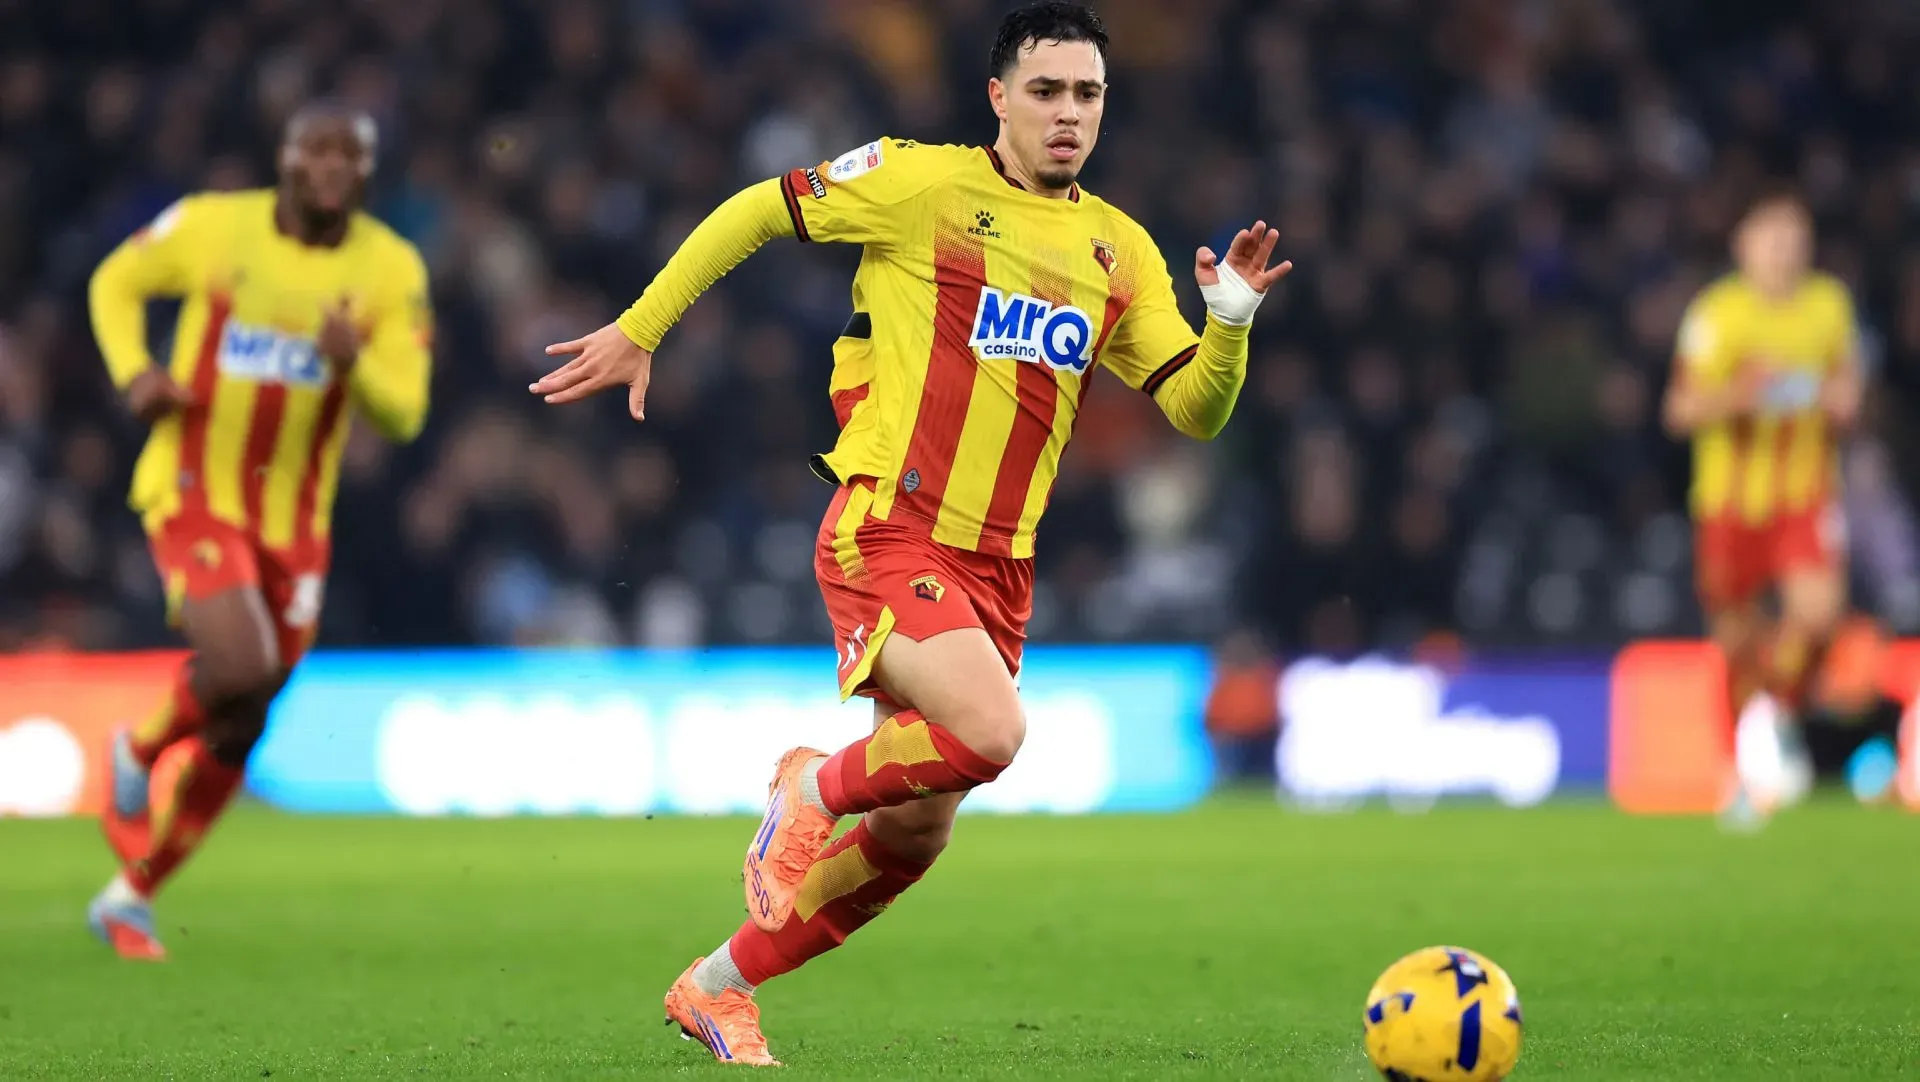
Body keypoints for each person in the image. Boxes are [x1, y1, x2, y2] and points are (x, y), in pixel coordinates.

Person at [530, 2, 1290, 1065]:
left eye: (1088, 95)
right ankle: (808, 784)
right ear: (999, 98)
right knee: (994, 732)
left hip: (998, 568)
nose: (1068, 114)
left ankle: (718, 984)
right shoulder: (920, 183)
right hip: (890, 525)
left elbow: (1194, 407)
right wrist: (640, 327)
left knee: (915, 833)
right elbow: (757, 209)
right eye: (1047, 91)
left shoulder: (1119, 251)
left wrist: (1233, 322)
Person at [85, 102, 433, 959]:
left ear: (365, 170)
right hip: (197, 486)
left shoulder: (390, 268)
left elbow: (406, 413)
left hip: (297, 524)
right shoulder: (213, 227)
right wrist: (136, 374)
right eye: (314, 150)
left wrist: (355, 362)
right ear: (284, 157)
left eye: (346, 155)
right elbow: (113, 284)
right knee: (242, 665)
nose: (328, 168)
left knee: (245, 717)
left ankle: (131, 895)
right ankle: (138, 747)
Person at [1661, 191, 1862, 821]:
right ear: (1742, 245)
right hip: (1728, 505)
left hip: (1803, 496)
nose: (1783, 250)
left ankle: (1777, 719)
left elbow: (1849, 391)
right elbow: (1680, 410)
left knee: (1821, 617)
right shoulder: (1717, 315)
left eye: (1794, 238)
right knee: (1737, 643)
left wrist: (1840, 400)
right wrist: (1738, 398)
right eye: (1771, 237)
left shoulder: (1828, 306)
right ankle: (1740, 764)